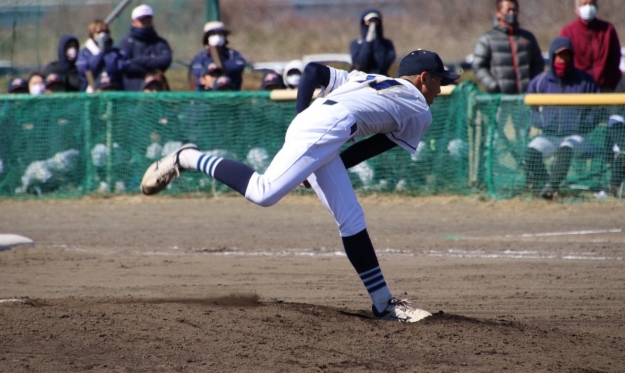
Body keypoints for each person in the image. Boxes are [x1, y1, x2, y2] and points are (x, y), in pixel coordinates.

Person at [140, 50, 460, 323]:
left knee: (351, 218)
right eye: (440, 80)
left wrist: (310, 139)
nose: (441, 87)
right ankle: (188, 157)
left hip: (323, 126)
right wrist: (313, 143)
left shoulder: (367, 78)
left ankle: (383, 304)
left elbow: (311, 71)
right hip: (326, 128)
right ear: (423, 78)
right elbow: (371, 147)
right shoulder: (420, 108)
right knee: (263, 192)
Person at [522, 37, 601, 199]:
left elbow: (599, 108)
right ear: (552, 57)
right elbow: (528, 108)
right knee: (531, 153)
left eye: (566, 56)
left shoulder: (585, 81)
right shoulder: (540, 82)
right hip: (550, 135)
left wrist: (584, 124)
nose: (563, 60)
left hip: (578, 136)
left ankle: (551, 188)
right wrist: (541, 121)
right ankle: (546, 186)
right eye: (559, 56)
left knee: (566, 147)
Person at [472, 0, 545, 94]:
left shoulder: (528, 38)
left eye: (514, 10)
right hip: (500, 98)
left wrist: (533, 84)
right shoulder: (487, 39)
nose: (512, 13)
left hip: (526, 97)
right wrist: (492, 85)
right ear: (498, 13)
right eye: (508, 10)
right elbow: (478, 66)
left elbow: (538, 63)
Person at [559, 0, 622, 92]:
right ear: (576, 9)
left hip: (604, 88)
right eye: (584, 4)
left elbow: (615, 58)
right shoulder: (568, 32)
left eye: (591, 4)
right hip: (577, 88)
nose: (588, 7)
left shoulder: (608, 30)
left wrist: (611, 82)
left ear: (596, 7)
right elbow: (562, 60)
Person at [117, 5, 172, 91]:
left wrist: (138, 60)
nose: (146, 24)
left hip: (155, 90)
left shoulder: (159, 42)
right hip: (130, 91)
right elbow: (124, 65)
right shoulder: (125, 42)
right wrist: (147, 72)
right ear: (133, 22)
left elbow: (165, 61)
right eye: (142, 21)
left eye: (148, 21)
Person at [190, 21, 246, 91]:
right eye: (213, 34)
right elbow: (198, 72)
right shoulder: (201, 56)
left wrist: (218, 69)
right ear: (207, 38)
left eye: (220, 34)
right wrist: (211, 70)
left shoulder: (233, 54)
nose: (217, 37)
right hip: (204, 94)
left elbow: (238, 67)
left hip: (230, 93)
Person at [77, 19, 127, 92]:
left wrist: (108, 52)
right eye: (98, 32)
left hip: (114, 89)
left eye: (105, 32)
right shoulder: (85, 52)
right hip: (92, 90)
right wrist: (101, 52)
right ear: (92, 34)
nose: (102, 35)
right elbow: (86, 71)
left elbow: (119, 68)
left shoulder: (116, 51)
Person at [349, 9, 396, 76]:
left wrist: (377, 42)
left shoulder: (387, 43)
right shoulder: (356, 44)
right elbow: (360, 63)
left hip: (381, 77)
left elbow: (383, 64)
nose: (372, 24)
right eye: (370, 21)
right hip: (362, 78)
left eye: (375, 21)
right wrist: (368, 42)